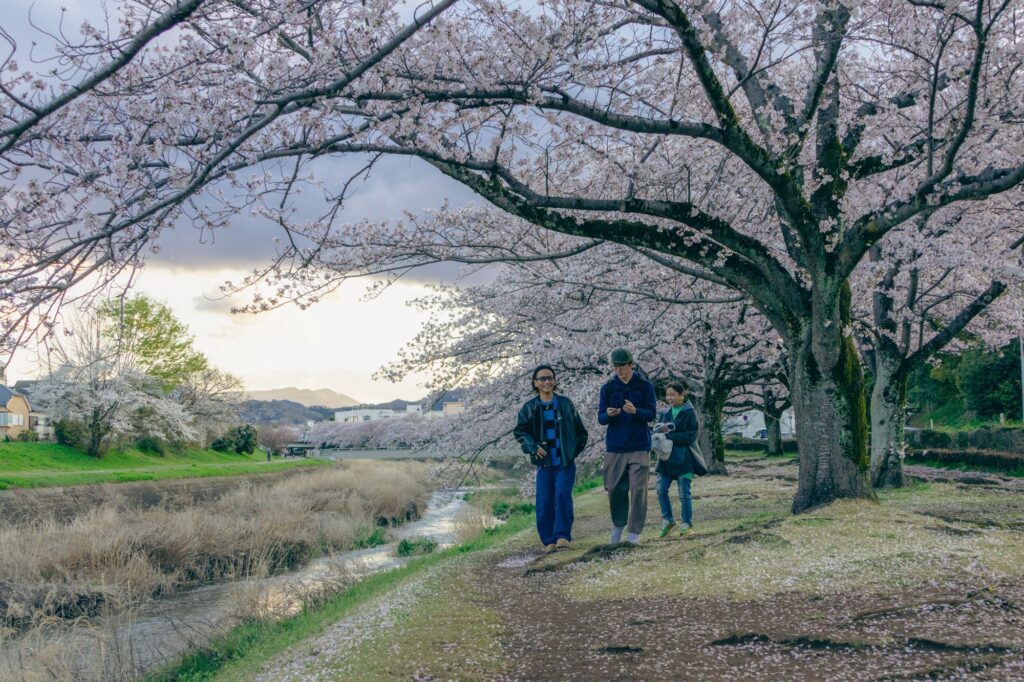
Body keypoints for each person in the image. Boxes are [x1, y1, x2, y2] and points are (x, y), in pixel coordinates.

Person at [513, 364, 589, 553]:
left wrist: (571, 453)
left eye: (550, 378)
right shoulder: (529, 408)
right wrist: (533, 447)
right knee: (544, 501)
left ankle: (563, 535)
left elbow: (581, 433)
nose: (547, 382)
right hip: (544, 464)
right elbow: (520, 431)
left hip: (564, 462)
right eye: (542, 379)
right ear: (535, 383)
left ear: (554, 381)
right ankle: (549, 540)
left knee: (562, 495)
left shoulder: (565, 404)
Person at [598, 348, 657, 545]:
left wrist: (636, 411)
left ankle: (634, 533)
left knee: (638, 489)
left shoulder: (645, 386)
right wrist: (609, 415)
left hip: (639, 444)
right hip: (615, 446)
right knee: (614, 488)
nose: (619, 369)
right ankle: (618, 525)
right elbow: (601, 418)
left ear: (632, 364)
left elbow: (651, 414)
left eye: (622, 365)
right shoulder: (607, 388)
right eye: (616, 366)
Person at [654, 380, 700, 537]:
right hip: (666, 459)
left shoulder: (690, 412)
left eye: (672, 394)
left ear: (682, 395)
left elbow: (691, 436)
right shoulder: (665, 413)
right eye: (667, 395)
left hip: (685, 459)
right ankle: (668, 520)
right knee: (660, 490)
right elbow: (660, 433)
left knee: (684, 492)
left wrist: (670, 435)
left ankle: (687, 524)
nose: (669, 398)